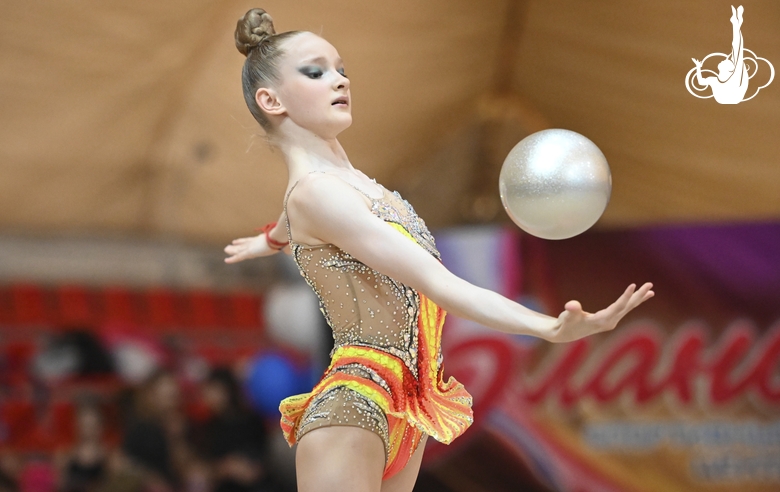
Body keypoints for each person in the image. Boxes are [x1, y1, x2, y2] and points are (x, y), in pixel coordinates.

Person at [223, 8, 654, 492]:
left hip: (406, 403)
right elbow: (438, 283)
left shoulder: (348, 189)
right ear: (271, 99)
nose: (340, 80)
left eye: (342, 69)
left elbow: (289, 226)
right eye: (316, 71)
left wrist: (267, 241)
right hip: (355, 403)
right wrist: (547, 327)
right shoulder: (317, 194)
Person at [692, 5, 748, 104]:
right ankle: (736, 23)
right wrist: (698, 67)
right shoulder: (716, 80)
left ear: (729, 69)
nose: (724, 59)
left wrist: (698, 68)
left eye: (726, 61)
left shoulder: (729, 78)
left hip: (731, 96)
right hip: (730, 97)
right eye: (727, 60)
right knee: (737, 52)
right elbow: (700, 82)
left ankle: (736, 23)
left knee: (737, 51)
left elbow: (737, 49)